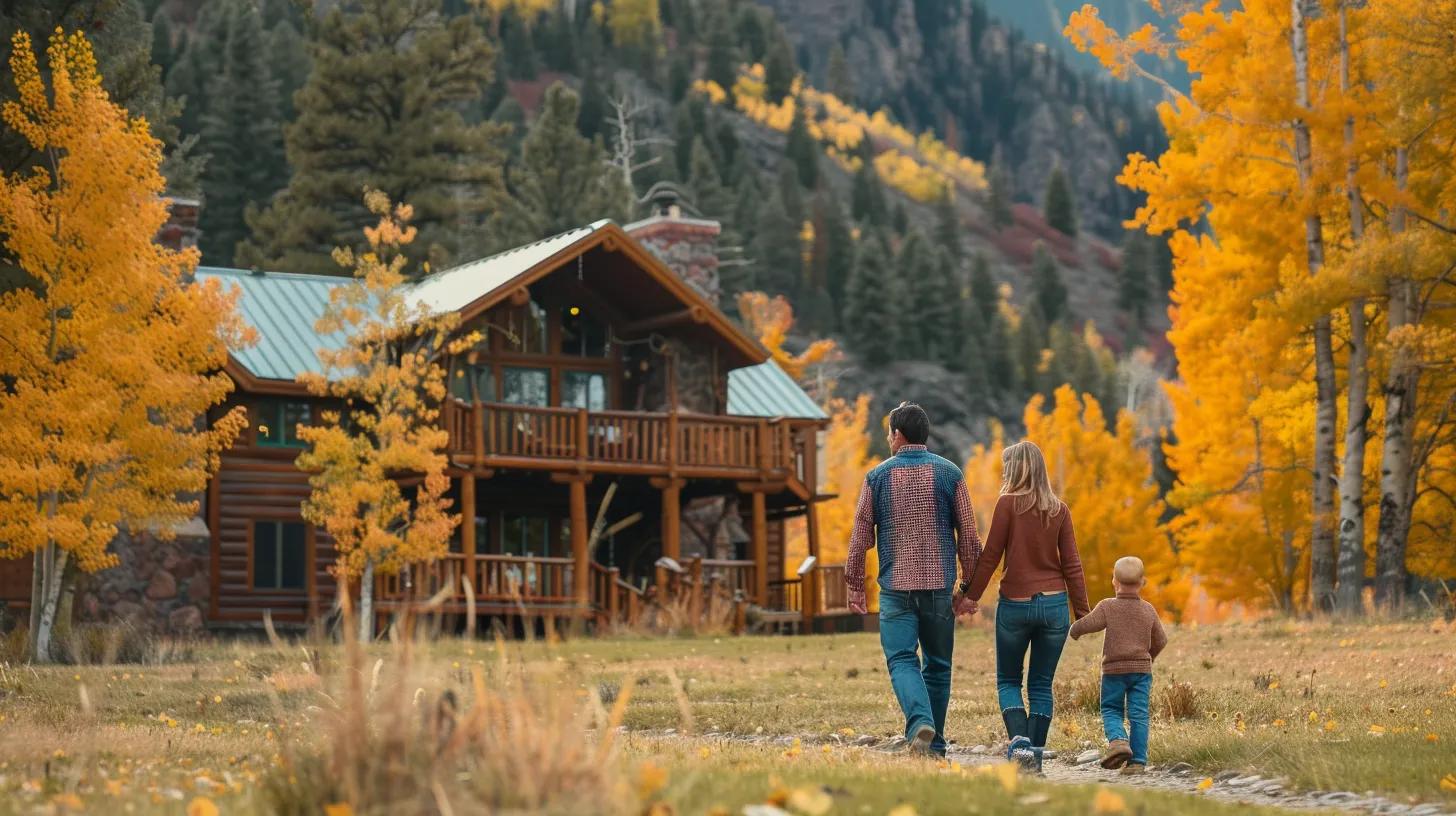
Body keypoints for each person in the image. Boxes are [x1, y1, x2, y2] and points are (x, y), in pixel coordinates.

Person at [846, 402, 981, 756]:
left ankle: (920, 722)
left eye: (889, 432)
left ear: (897, 435)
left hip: (896, 589)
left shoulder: (877, 477)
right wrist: (969, 589)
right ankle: (934, 748)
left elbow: (860, 534)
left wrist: (855, 584)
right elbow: (968, 535)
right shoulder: (950, 474)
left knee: (902, 659)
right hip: (939, 588)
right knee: (938, 665)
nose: (888, 438)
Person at [963, 440, 1089, 771]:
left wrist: (969, 596)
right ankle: (1033, 759)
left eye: (1007, 466)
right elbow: (1072, 565)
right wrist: (1084, 614)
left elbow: (991, 556)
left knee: (1008, 681)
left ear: (1016, 469)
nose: (1004, 472)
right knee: (1041, 684)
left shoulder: (1007, 505)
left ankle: (1020, 745)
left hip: (1016, 606)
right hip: (1054, 606)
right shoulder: (1060, 509)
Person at [1069, 556, 1168, 774]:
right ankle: (1137, 763)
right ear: (1143, 582)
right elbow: (1161, 639)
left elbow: (1089, 623)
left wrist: (1074, 630)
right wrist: (1147, 658)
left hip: (1114, 671)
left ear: (1114, 581)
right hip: (1141, 672)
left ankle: (1119, 741)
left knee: (1111, 709)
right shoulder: (1148, 610)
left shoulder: (1107, 606)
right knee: (1139, 715)